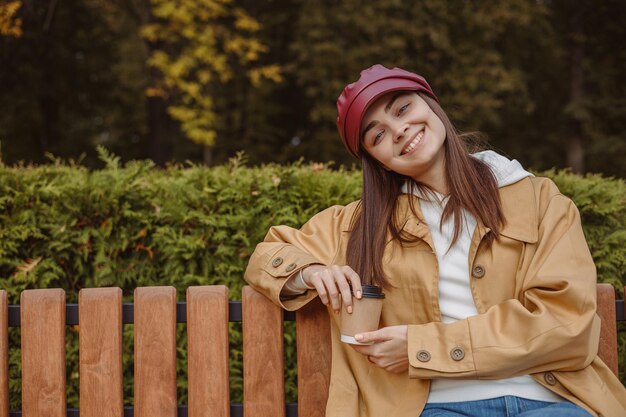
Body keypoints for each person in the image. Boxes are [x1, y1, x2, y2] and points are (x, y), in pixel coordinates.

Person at [244, 64, 626, 417]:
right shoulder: (359, 224)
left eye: (402, 109)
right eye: (377, 135)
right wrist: (310, 272)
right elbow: (267, 256)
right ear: (378, 161)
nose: (398, 130)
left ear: (431, 105)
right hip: (437, 408)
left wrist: (419, 348)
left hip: (551, 400)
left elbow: (566, 323)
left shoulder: (540, 200)